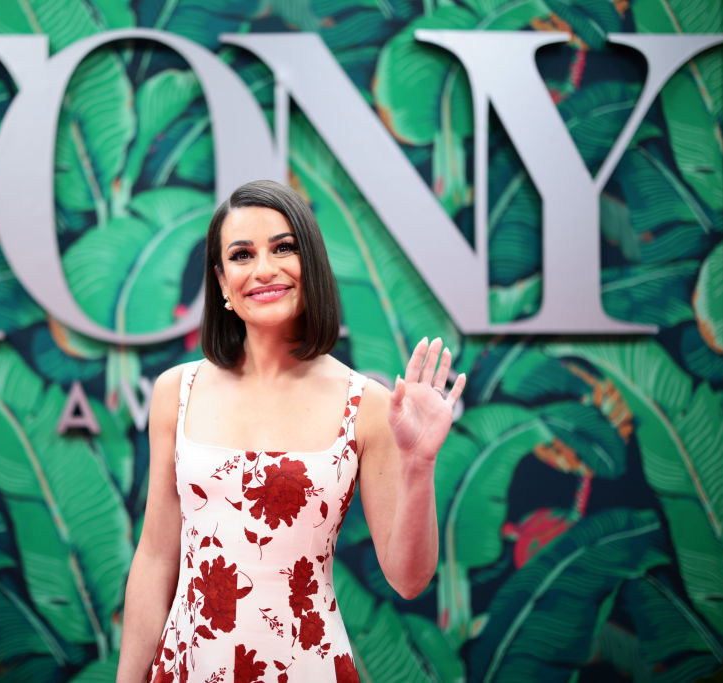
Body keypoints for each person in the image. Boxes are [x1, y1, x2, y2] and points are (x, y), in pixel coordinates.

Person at [116, 180, 466, 682]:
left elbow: (408, 580)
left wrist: (420, 464)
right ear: (220, 282)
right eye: (242, 255)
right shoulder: (177, 391)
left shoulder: (364, 404)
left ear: (313, 266)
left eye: (284, 248)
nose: (264, 269)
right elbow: (154, 557)